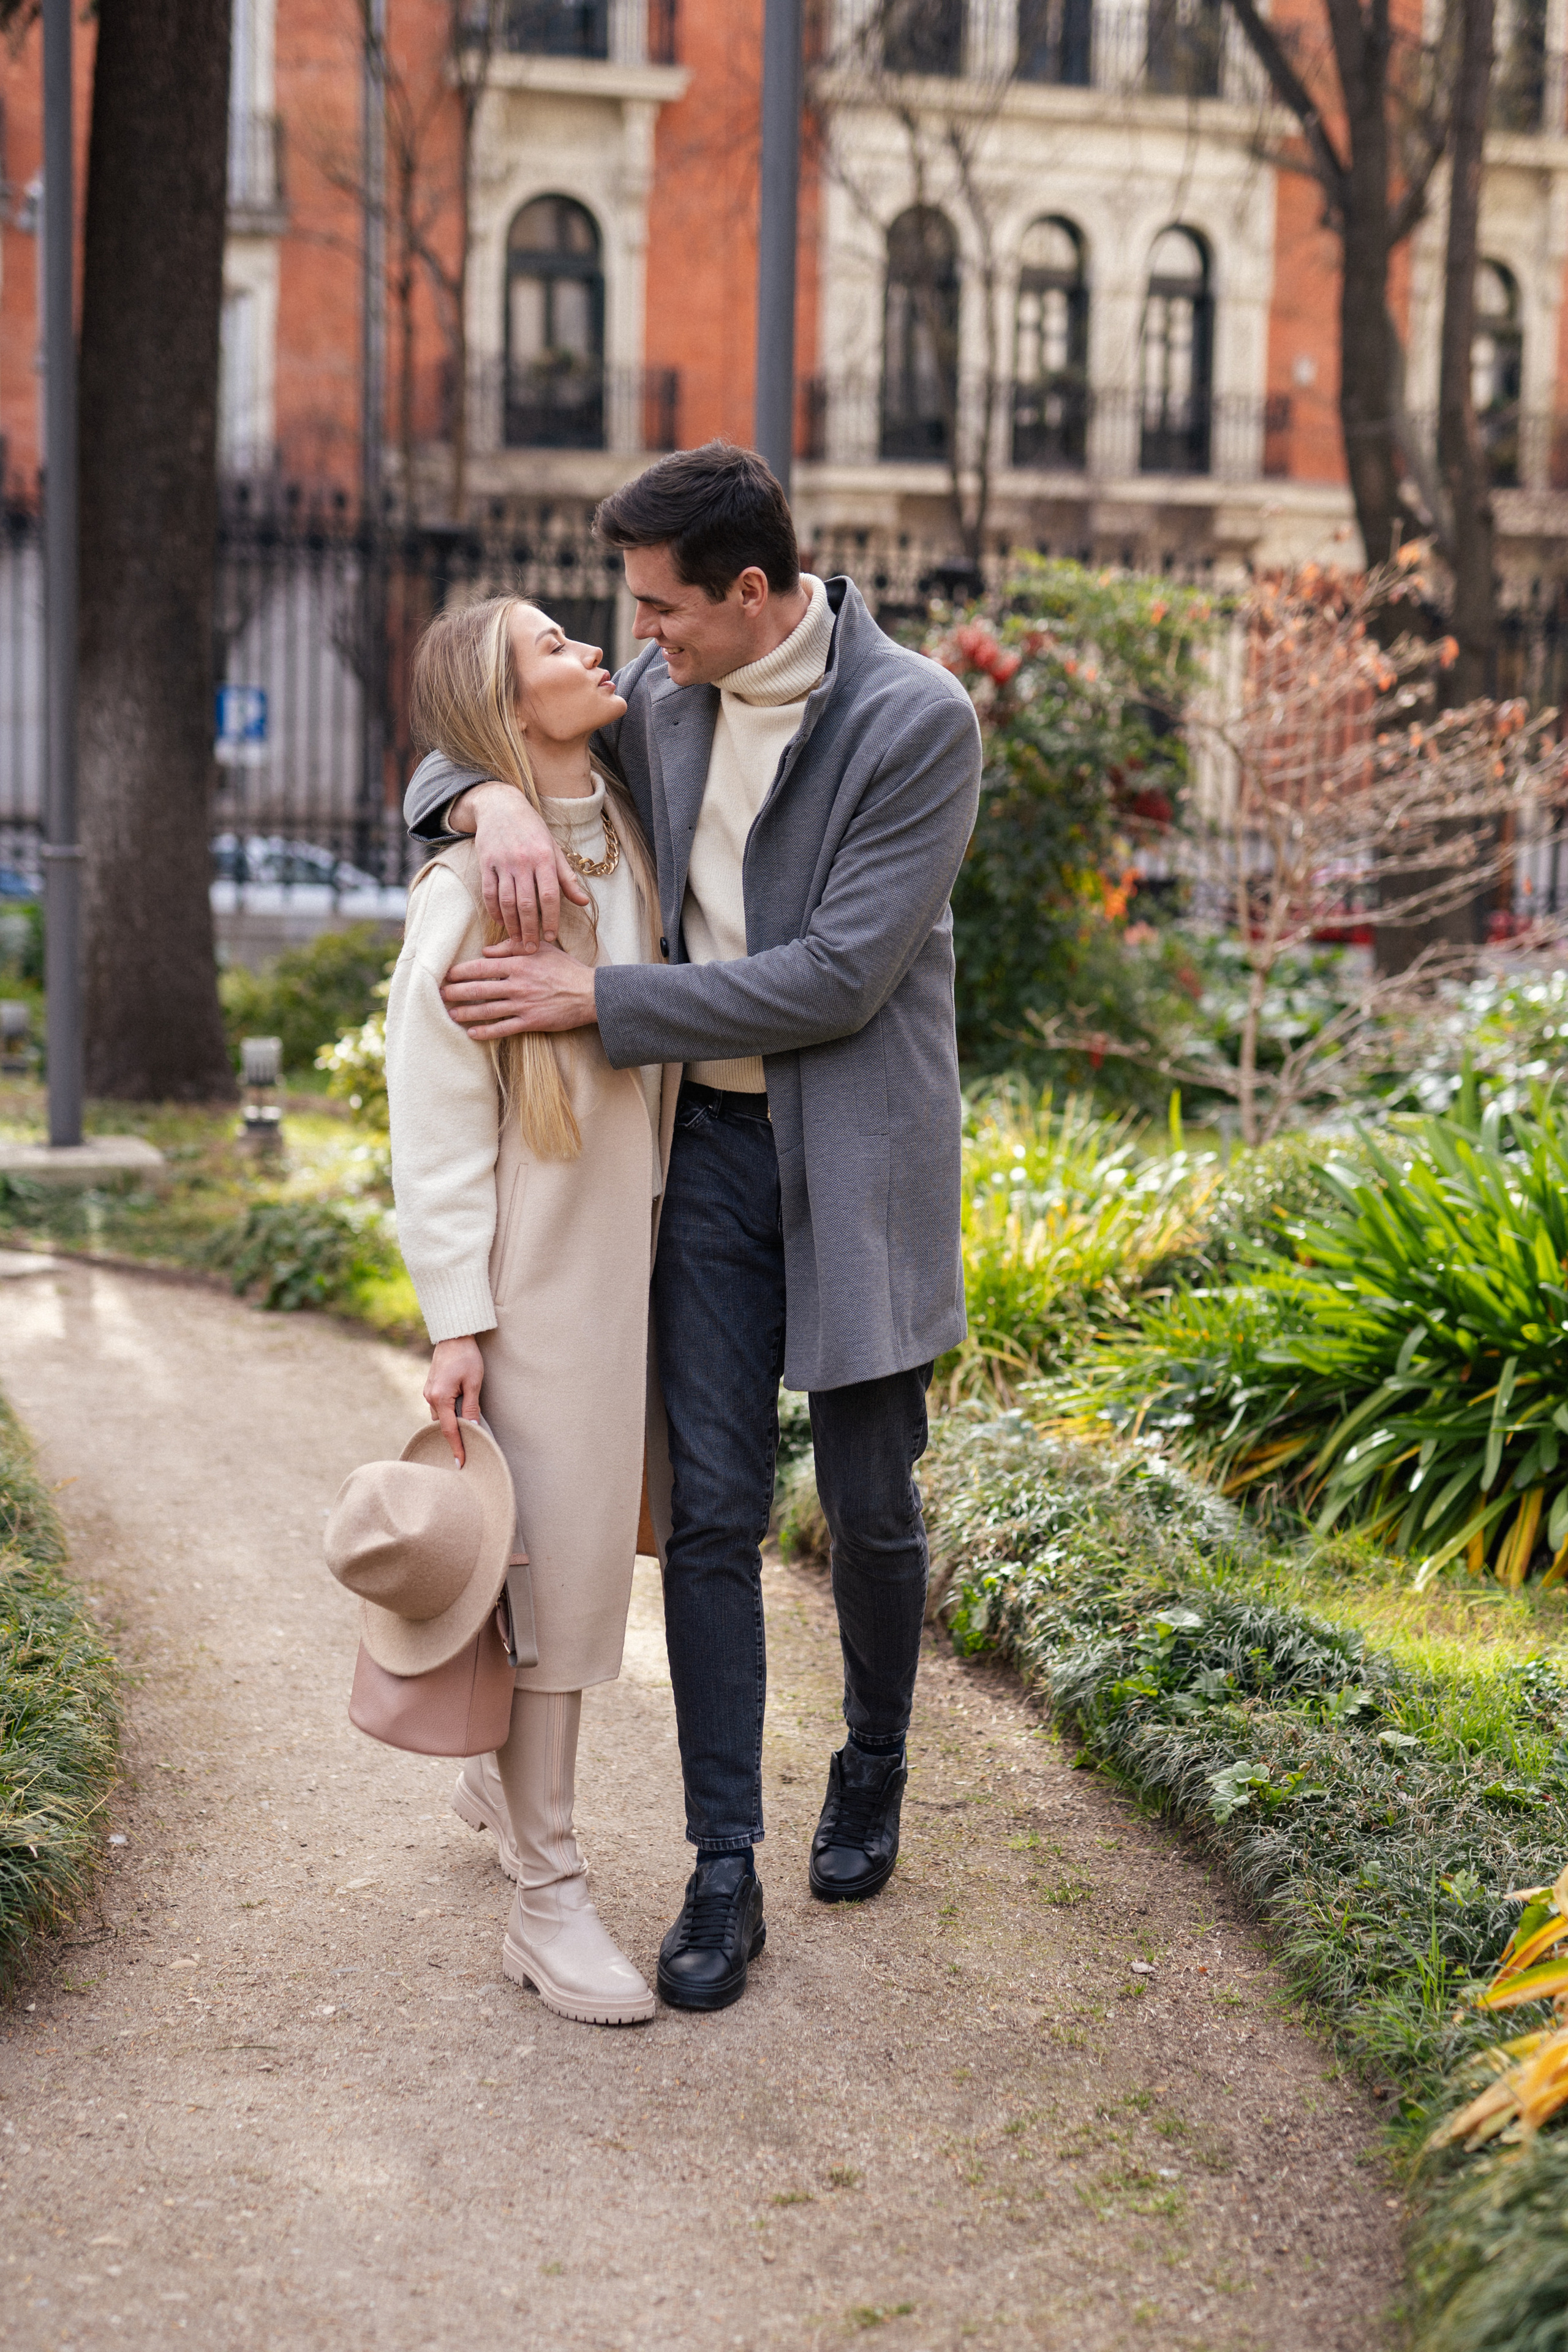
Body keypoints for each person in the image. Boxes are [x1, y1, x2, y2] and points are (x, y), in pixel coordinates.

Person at [405, 443, 981, 2013]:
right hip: (708, 1152)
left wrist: (600, 996)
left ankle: (872, 1755)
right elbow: (475, 722)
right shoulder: (664, 697)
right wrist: (477, 801)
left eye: (661, 607)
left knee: (867, 1500)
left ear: (747, 590)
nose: (637, 637)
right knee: (713, 1514)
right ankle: (722, 1862)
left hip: (858, 1154)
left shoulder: (914, 718)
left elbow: (839, 978)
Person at [385, 592, 680, 2029]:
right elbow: (434, 1127)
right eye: (553, 647)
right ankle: (546, 1900)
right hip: (536, 1283)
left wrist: (494, 793)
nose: (593, 651)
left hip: (645, 1261)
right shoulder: (466, 894)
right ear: (504, 710)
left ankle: (498, 1792)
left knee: (588, 1557)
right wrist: (457, 1323)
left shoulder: (626, 821)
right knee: (553, 1582)